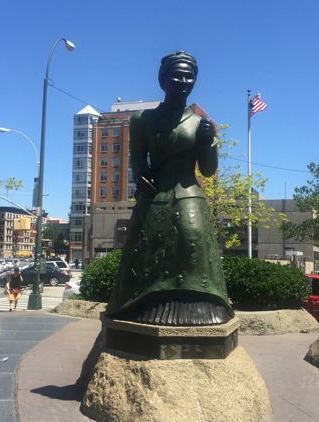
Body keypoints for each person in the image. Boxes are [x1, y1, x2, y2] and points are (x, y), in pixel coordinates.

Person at [105, 51, 234, 326]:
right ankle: (141, 311)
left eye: (190, 76)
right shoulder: (142, 119)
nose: (184, 81)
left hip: (190, 196)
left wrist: (210, 143)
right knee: (144, 257)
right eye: (177, 75)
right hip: (153, 197)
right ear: (163, 80)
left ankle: (202, 312)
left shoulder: (202, 124)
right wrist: (139, 174)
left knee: (192, 249)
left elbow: (208, 171)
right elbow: (138, 157)